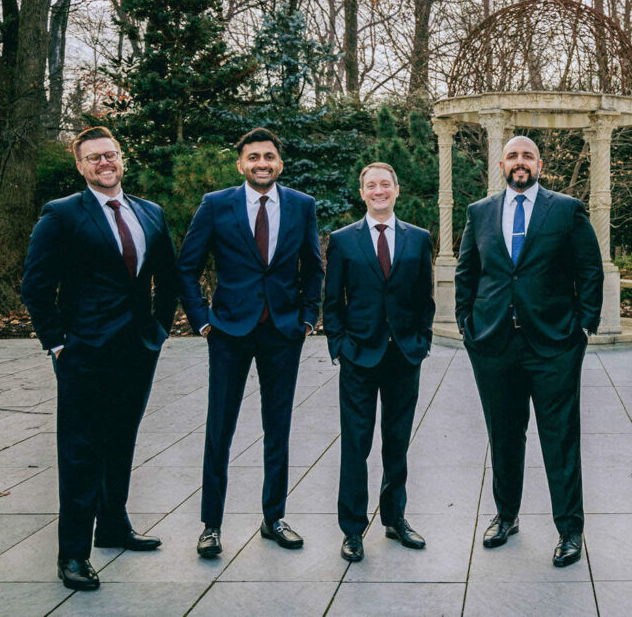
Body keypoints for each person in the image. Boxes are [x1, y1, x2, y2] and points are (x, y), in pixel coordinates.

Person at [22, 126, 178, 590]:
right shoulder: (63, 214)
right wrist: (57, 342)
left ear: (121, 158)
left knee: (121, 441)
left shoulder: (150, 213)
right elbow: (35, 285)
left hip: (137, 350)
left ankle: (112, 526)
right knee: (80, 451)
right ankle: (72, 554)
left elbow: (168, 278)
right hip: (84, 353)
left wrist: (159, 330)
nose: (104, 163)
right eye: (93, 158)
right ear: (81, 166)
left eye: (110, 155)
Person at [455, 135, 603, 567]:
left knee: (559, 438)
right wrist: (468, 324)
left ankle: (570, 530)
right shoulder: (479, 213)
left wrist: (583, 326)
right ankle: (506, 516)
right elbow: (468, 272)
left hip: (554, 343)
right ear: (501, 164)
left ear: (540, 164)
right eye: (513, 156)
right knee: (503, 435)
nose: (520, 163)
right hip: (494, 343)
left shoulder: (566, 209)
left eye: (528, 156)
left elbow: (589, 269)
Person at [178, 127, 323, 558]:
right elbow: (187, 267)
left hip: (282, 332)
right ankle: (211, 526)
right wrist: (202, 321)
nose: (262, 163)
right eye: (254, 157)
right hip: (228, 331)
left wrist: (307, 318)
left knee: (277, 428)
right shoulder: (216, 205)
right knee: (219, 429)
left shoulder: (301, 206)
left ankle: (273, 517)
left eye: (269, 157)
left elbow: (314, 266)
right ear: (241, 163)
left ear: (280, 162)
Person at [322, 162, 435, 563]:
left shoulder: (419, 239)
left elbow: (425, 298)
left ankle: (395, 518)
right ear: (362, 191)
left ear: (397, 189)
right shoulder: (343, 240)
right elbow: (332, 301)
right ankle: (352, 529)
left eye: (385, 184)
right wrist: (339, 345)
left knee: (397, 443)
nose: (378, 190)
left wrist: (422, 342)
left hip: (404, 354)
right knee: (356, 443)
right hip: (359, 357)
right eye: (371, 185)